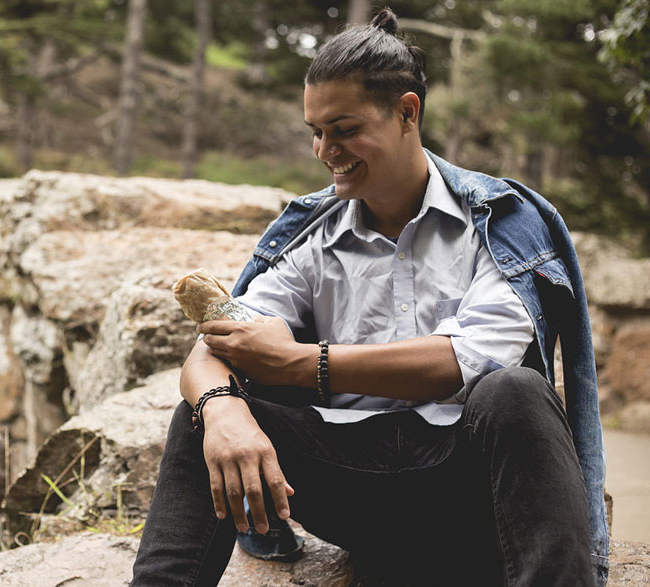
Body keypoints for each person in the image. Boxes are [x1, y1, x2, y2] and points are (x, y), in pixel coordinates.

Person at [131, 7, 608, 586]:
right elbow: (217, 347)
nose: (324, 150)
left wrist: (303, 363)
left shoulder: (499, 223)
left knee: (518, 390)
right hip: (346, 487)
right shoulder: (311, 239)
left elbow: (467, 360)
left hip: (472, 489)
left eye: (345, 128)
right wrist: (223, 410)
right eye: (316, 131)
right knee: (202, 410)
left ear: (407, 111)